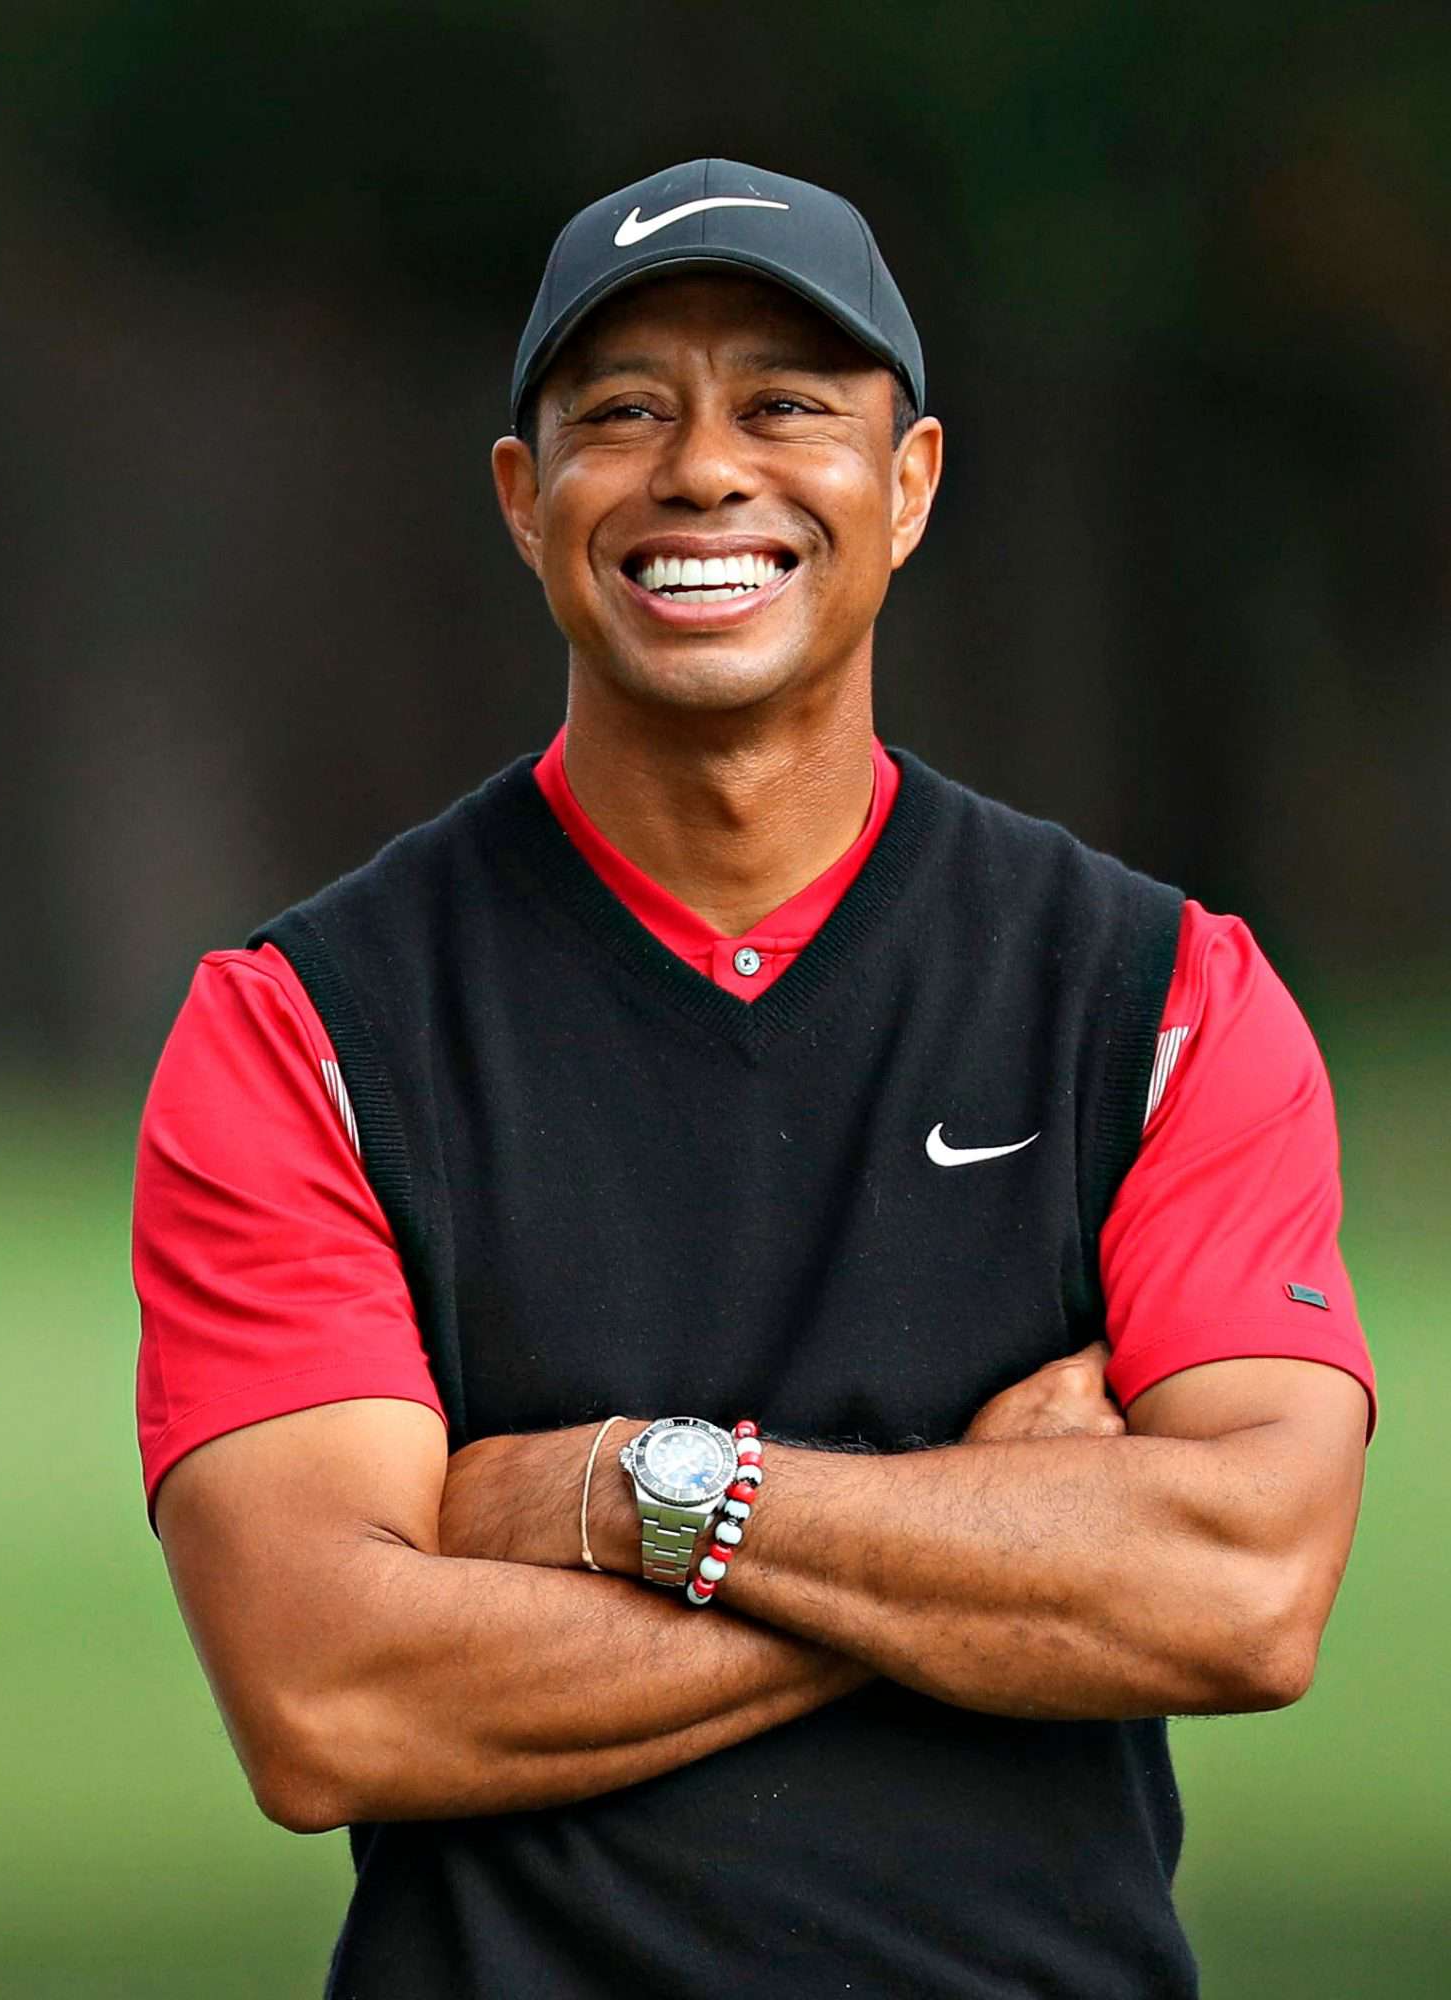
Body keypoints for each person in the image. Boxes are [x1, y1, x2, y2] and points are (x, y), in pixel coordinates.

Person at [134, 159, 1375, 1999]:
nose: (702, 469)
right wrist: (992, 1536)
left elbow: (1245, 1593)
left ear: (911, 483)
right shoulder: (302, 1025)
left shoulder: (1161, 990)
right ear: (523, 498)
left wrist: (635, 1491)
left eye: (786, 405)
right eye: (620, 411)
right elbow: (329, 1699)